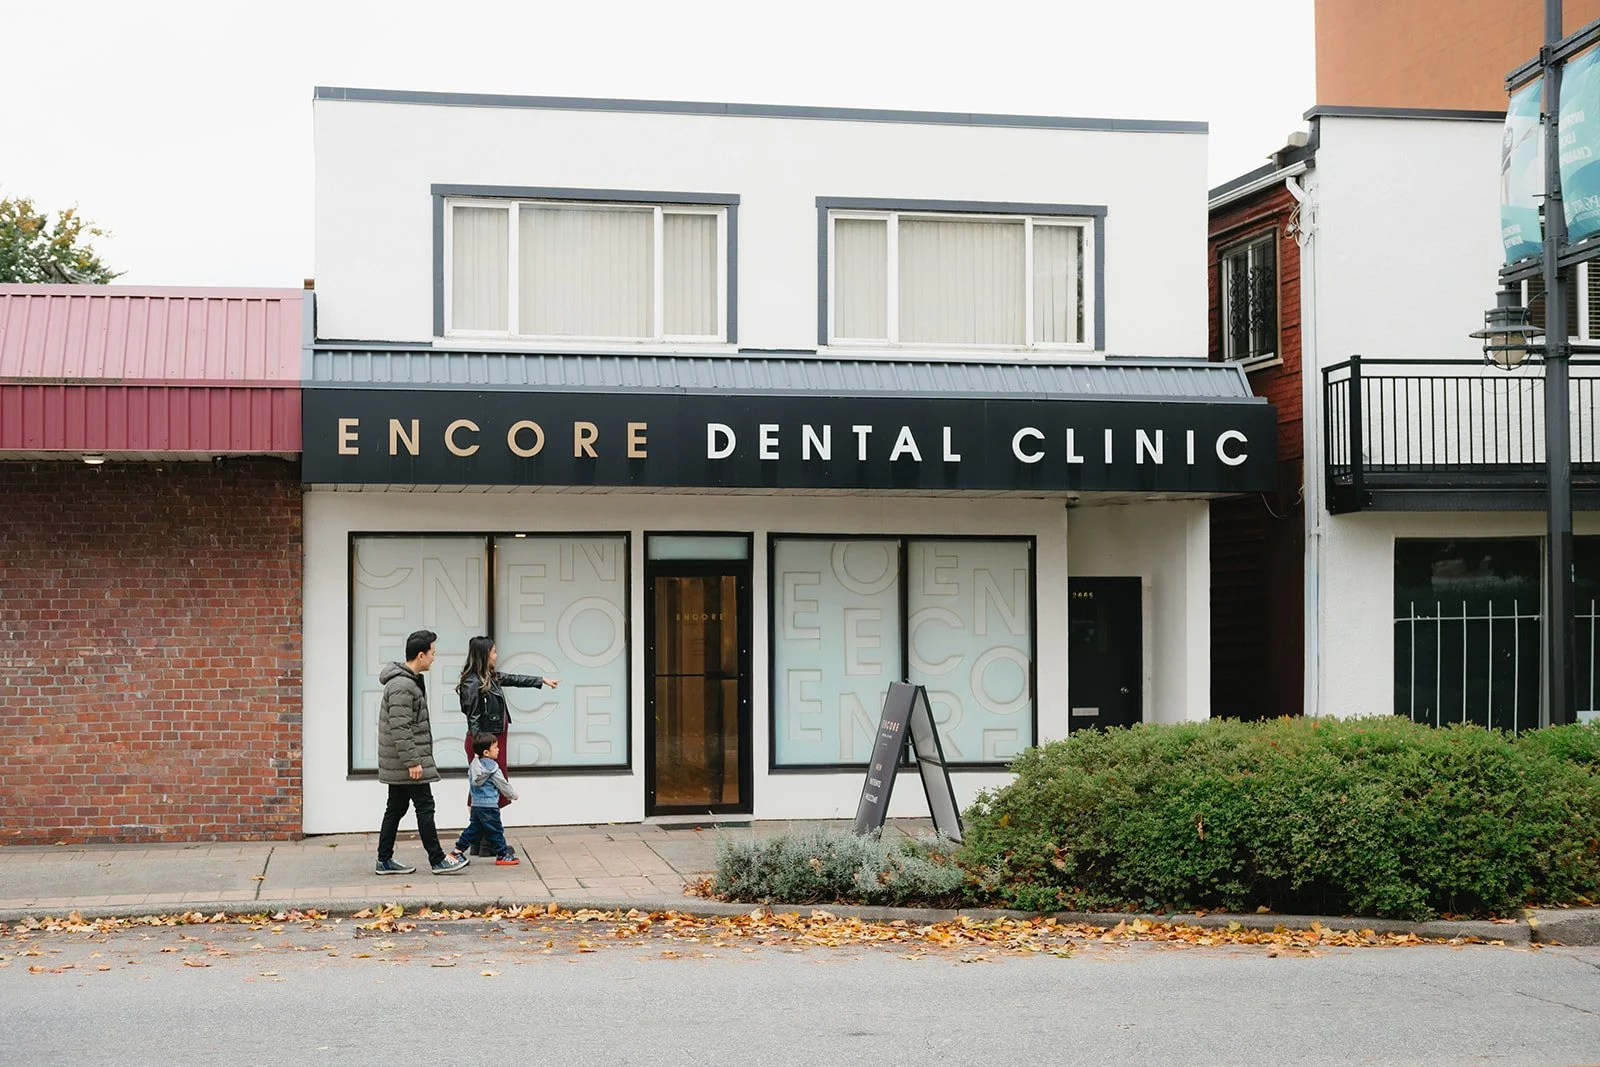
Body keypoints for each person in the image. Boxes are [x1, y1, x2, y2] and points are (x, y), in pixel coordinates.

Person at [374, 629, 470, 876]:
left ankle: (384, 860)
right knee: (424, 805)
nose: (434, 658)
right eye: (432, 653)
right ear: (420, 655)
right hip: (408, 762)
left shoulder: (408, 681)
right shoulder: (402, 686)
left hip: (403, 761)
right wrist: (413, 761)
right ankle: (437, 860)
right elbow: (400, 727)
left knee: (395, 808)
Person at [456, 636, 559, 854]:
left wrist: (541, 680)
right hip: (484, 744)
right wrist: (481, 752)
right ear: (484, 654)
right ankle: (488, 843)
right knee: (490, 789)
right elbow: (473, 717)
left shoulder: (488, 677)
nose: (496, 655)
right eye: (493, 652)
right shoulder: (472, 682)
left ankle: (481, 843)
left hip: (491, 742)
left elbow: (514, 679)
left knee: (487, 789)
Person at [454, 732, 521, 865]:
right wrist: (512, 795)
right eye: (495, 747)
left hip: (476, 805)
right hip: (489, 807)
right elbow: (503, 784)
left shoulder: (474, 765)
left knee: (473, 830)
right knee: (496, 830)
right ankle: (502, 854)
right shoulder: (493, 768)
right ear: (486, 752)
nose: (498, 749)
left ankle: (457, 852)